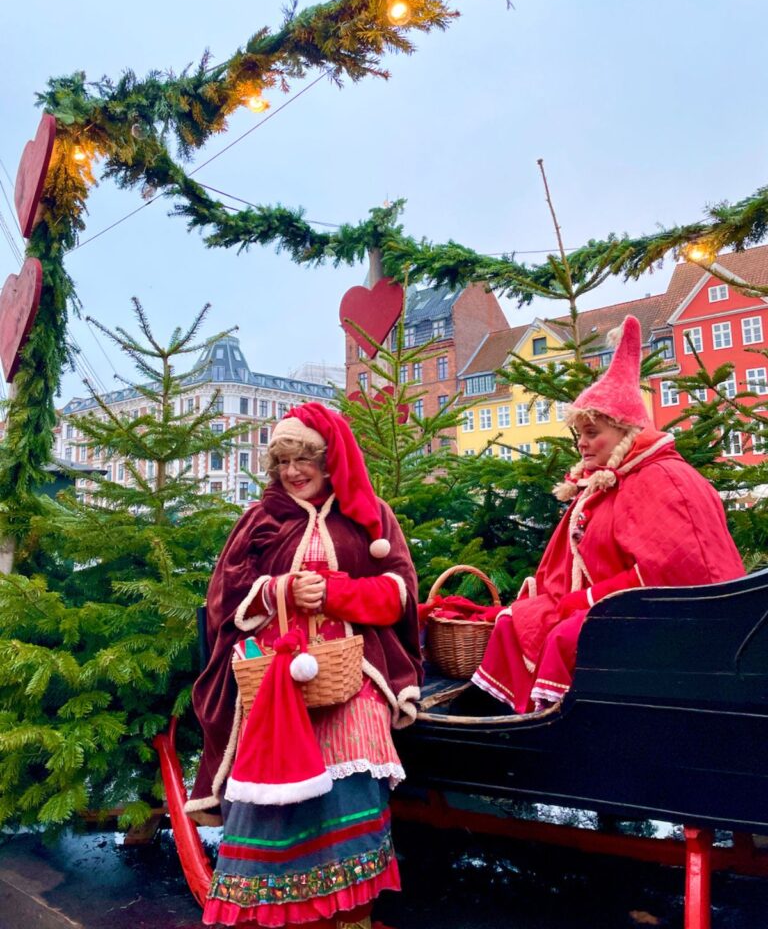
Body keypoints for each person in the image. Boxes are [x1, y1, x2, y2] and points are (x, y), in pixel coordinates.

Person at [185, 402, 422, 929]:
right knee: (269, 769)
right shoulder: (259, 519)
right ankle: (275, 907)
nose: (293, 472)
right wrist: (278, 590)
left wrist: (339, 595)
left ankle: (354, 909)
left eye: (304, 460)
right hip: (272, 671)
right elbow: (225, 598)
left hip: (353, 667)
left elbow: (402, 595)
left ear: (328, 459)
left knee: (355, 751)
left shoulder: (372, 516)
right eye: (284, 462)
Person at [472, 315, 745, 714]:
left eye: (592, 433)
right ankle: (511, 722)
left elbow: (671, 574)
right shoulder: (611, 478)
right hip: (619, 608)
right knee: (516, 620)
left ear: (625, 432)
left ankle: (549, 726)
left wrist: (582, 600)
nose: (581, 444)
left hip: (665, 624)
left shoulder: (661, 479)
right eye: (578, 434)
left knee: (564, 636)